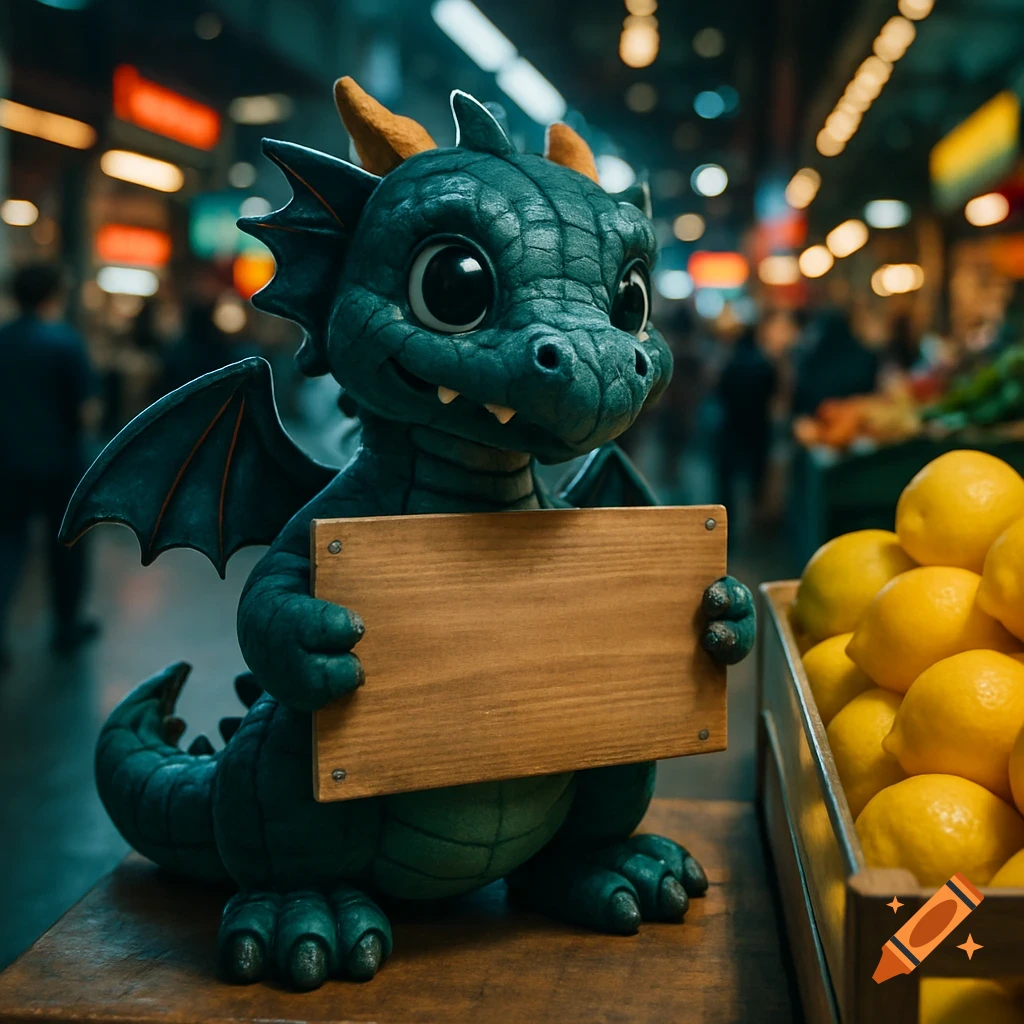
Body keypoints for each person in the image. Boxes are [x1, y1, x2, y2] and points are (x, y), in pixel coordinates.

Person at [0, 263, 102, 668]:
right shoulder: (64, 342)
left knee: (6, 546)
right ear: (52, 295)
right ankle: (65, 627)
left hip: (6, 462)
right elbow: (87, 409)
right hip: (60, 464)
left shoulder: (2, 340)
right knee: (67, 546)